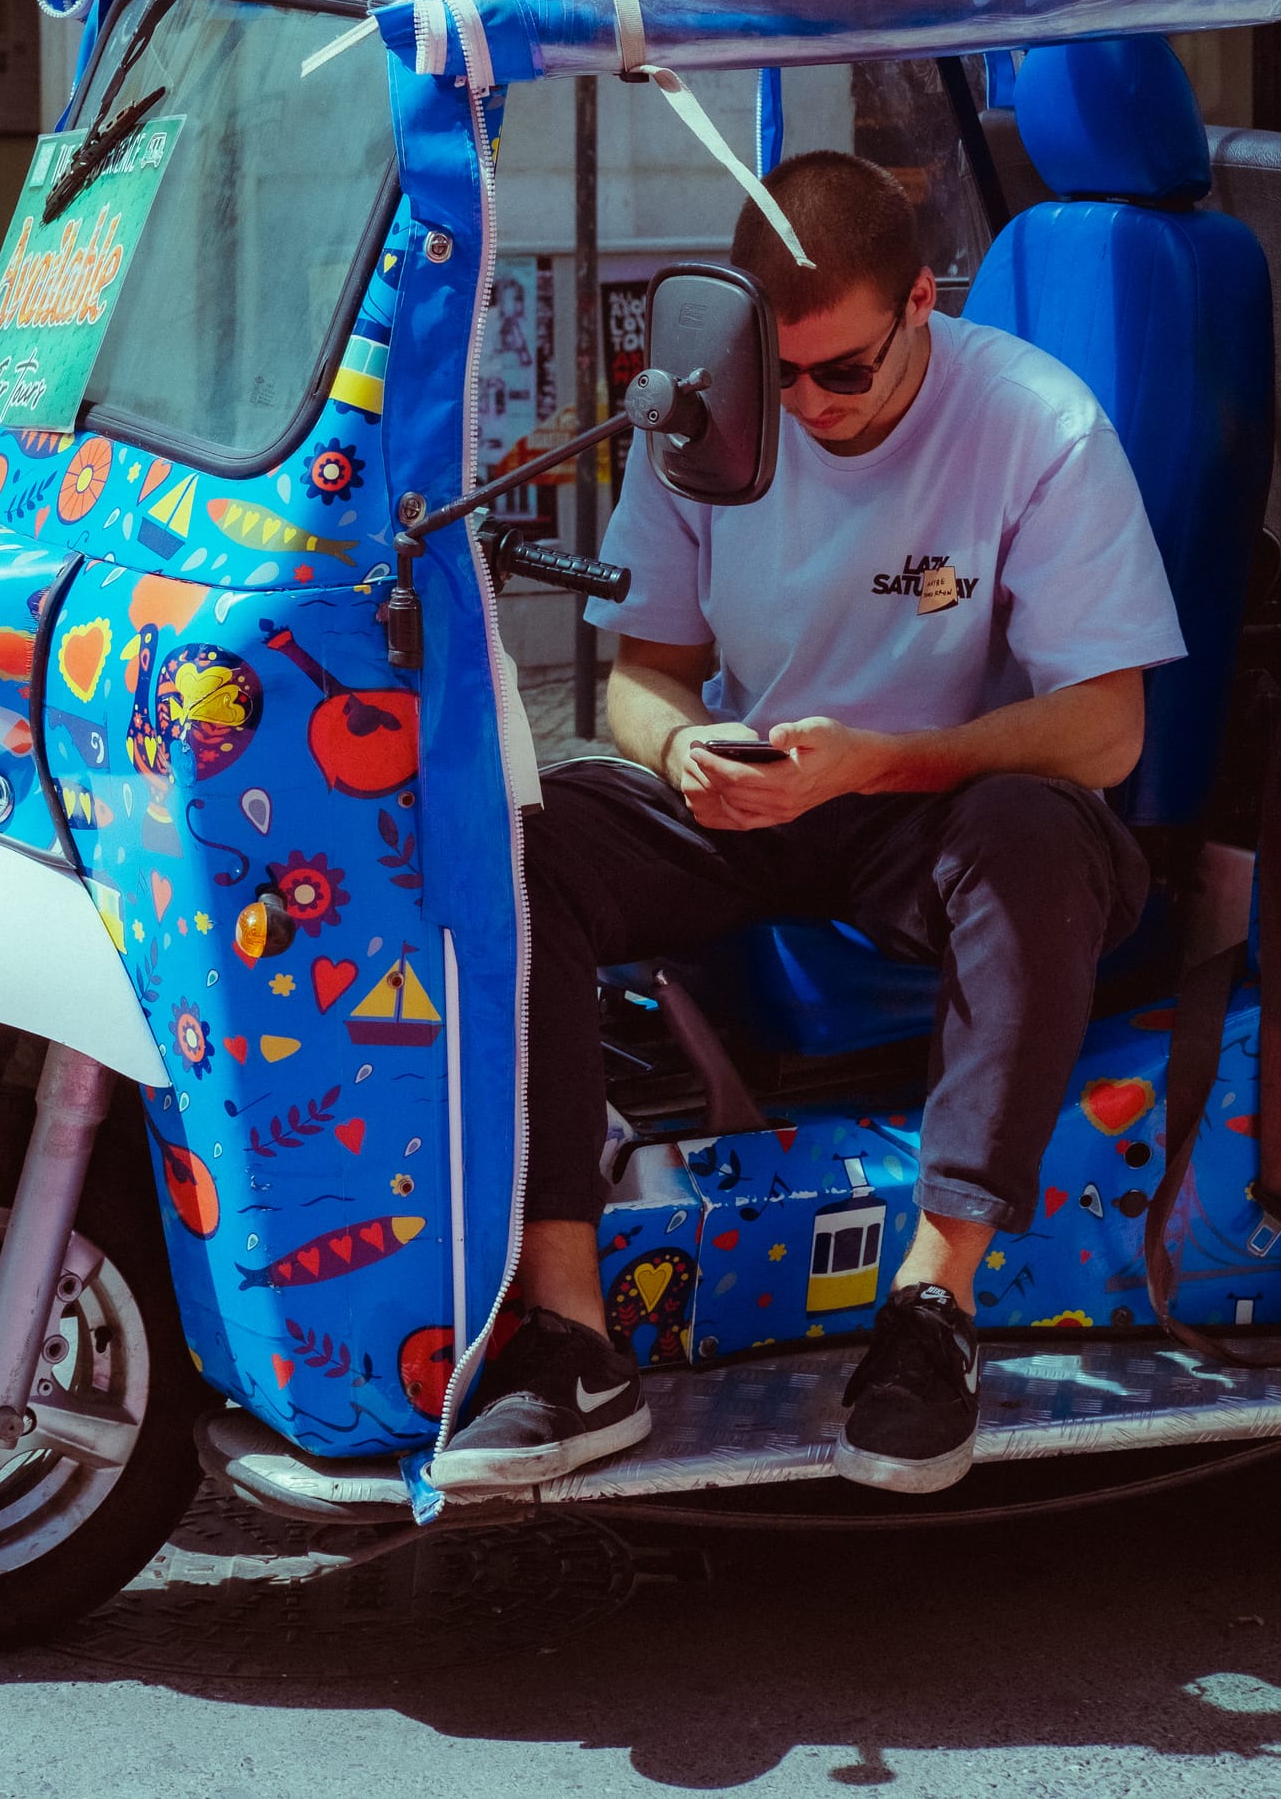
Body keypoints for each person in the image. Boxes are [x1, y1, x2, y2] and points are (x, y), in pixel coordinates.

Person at [430, 149, 1186, 1500]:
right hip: (760, 788)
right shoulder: (710, 414)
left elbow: (1109, 729)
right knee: (516, 841)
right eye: (780, 374)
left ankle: (931, 1309)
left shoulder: (1037, 423)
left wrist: (889, 761)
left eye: (844, 371)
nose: (808, 407)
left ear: (924, 307)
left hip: (940, 803)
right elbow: (642, 678)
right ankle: (567, 1333)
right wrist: (685, 746)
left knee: (1034, 834)